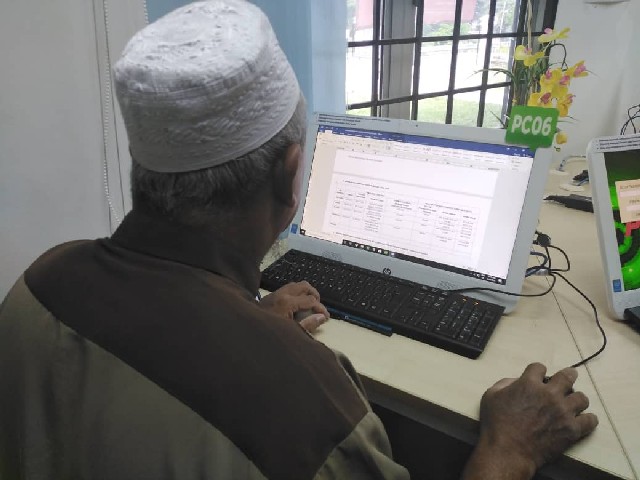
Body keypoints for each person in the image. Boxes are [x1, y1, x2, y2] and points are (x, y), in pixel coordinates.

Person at [0, 1, 597, 479]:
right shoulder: (311, 410)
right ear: (291, 176)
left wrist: (248, 319)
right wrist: (509, 449)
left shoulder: (39, 284)